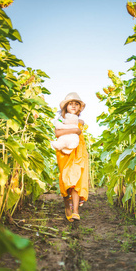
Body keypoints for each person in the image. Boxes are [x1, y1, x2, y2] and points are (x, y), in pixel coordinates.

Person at [55, 92, 88, 222]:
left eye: (76, 104)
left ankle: (75, 211)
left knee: (75, 181)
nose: (73, 106)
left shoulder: (81, 121)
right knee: (65, 181)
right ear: (65, 107)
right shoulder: (59, 119)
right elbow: (57, 133)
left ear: (80, 108)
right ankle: (67, 207)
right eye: (70, 104)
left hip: (78, 152)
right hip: (64, 152)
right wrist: (74, 130)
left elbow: (81, 135)